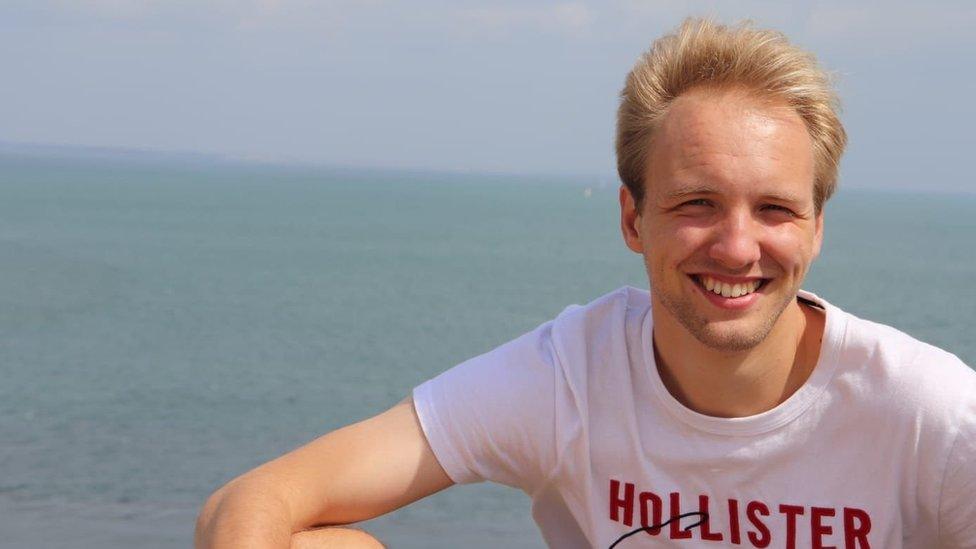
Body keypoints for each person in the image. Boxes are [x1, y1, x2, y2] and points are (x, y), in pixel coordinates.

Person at [195, 17, 976, 549]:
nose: (738, 247)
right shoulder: (572, 375)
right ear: (633, 220)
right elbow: (254, 499)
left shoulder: (926, 414)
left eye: (774, 209)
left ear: (815, 228)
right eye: (697, 203)